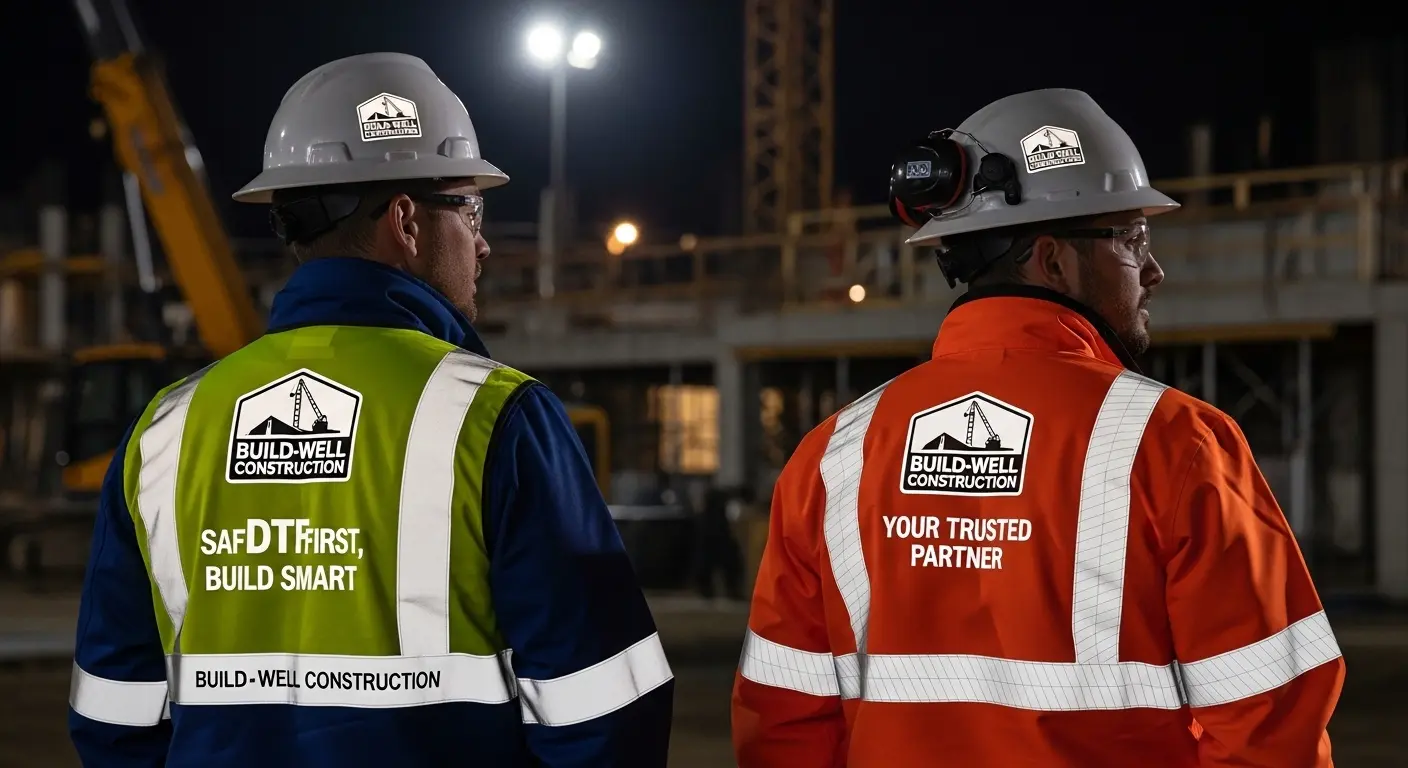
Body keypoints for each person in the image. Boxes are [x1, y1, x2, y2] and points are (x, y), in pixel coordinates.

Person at [67, 52, 673, 768]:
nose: (482, 244)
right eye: (470, 210)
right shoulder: (499, 420)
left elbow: (113, 715)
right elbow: (604, 717)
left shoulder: (166, 431)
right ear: (407, 221)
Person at [732, 88, 1343, 767]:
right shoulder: (1178, 444)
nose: (1153, 270)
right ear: (1052, 259)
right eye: (1132, 239)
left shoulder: (834, 454)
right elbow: (1269, 731)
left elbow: (784, 722)